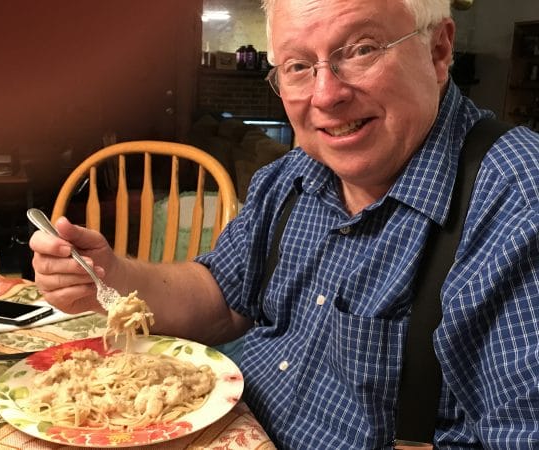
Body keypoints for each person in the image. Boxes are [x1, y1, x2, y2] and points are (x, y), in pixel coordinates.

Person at [29, 0, 539, 448]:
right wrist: (112, 278)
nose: (326, 94)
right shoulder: (291, 176)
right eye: (298, 65)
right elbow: (223, 300)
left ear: (438, 51)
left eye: (361, 49)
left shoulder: (517, 202)